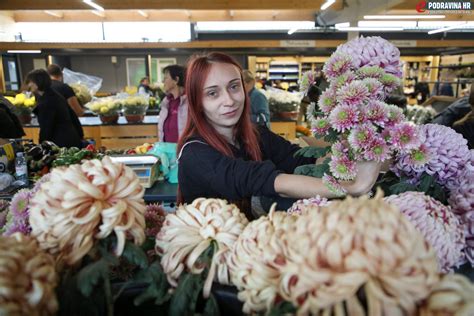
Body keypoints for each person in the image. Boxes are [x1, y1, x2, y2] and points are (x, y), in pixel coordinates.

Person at [176, 52, 381, 218]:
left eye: (234, 87)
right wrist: (350, 187)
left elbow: (301, 159)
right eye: (213, 93)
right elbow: (273, 183)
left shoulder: (256, 134)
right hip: (210, 254)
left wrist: (356, 150)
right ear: (197, 102)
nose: (229, 100)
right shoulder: (194, 153)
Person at [25, 69, 81, 148]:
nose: (28, 85)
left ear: (37, 82)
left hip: (60, 141)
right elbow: (73, 116)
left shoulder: (46, 101)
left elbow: (46, 127)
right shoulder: (55, 95)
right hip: (70, 138)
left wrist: (42, 145)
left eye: (30, 82)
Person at [47, 64, 85, 145]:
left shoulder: (42, 90)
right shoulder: (65, 88)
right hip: (67, 132)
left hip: (49, 133)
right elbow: (78, 112)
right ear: (61, 74)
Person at [158, 65, 188, 143]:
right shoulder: (166, 102)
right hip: (167, 152)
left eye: (166, 78)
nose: (163, 81)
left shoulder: (189, 102)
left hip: (186, 152)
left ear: (176, 80)